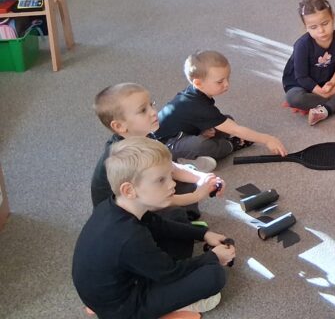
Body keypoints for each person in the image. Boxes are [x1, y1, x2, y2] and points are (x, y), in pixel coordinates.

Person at [73, 136, 235, 318]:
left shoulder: (116, 205)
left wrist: (204, 234)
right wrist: (213, 257)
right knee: (213, 275)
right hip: (124, 308)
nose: (172, 184)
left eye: (169, 176)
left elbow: (159, 225)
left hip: (116, 281)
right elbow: (170, 273)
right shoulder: (129, 236)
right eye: (160, 180)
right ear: (129, 190)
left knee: (176, 216)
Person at [90, 83, 224, 261]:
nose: (154, 112)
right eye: (143, 110)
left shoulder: (141, 136)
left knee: (187, 174)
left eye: (151, 104)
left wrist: (203, 177)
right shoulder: (128, 157)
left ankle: (186, 219)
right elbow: (154, 200)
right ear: (120, 126)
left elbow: (171, 168)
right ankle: (181, 227)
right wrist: (197, 195)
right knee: (175, 233)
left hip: (146, 195)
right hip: (129, 217)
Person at [156, 50, 287, 160]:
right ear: (198, 83)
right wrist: (267, 139)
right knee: (202, 145)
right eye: (220, 82)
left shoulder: (195, 93)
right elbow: (235, 130)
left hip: (182, 132)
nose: (226, 84)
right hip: (165, 147)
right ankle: (231, 145)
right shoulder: (198, 106)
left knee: (227, 120)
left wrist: (202, 130)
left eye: (227, 78)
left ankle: (196, 152)